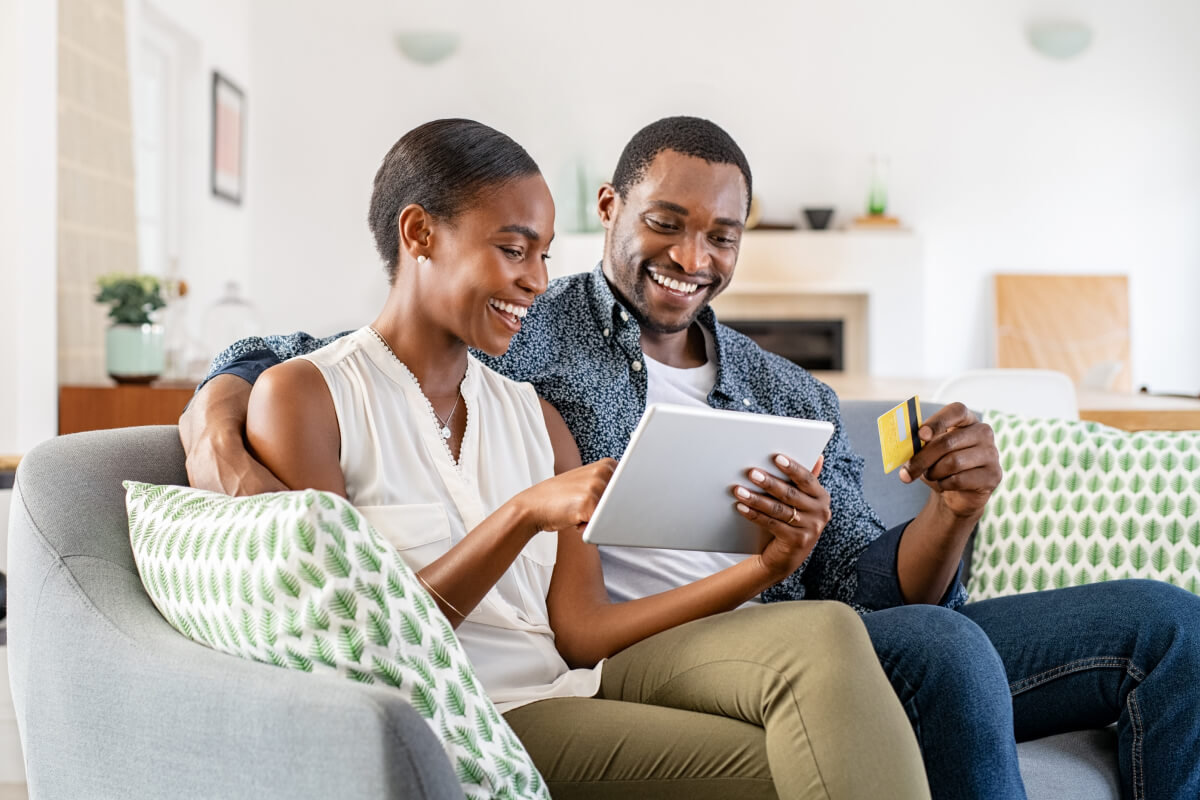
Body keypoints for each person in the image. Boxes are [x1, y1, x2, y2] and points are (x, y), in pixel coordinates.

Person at [182, 116, 1200, 800]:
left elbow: (861, 584)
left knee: (1166, 624)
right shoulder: (542, 331)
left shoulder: (785, 390)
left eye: (723, 234)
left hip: (795, 629)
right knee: (938, 647)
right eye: (666, 222)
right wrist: (220, 404)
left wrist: (952, 509)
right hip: (647, 658)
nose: (693, 256)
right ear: (612, 212)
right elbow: (334, 348)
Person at [235, 117, 930, 800]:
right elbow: (359, 646)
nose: (538, 281)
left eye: (542, 255)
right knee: (803, 761)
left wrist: (765, 567)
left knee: (828, 660)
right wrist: (520, 514)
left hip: (570, 688)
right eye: (513, 250)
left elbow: (582, 634)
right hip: (467, 722)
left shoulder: (535, 417)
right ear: (419, 234)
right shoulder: (305, 398)